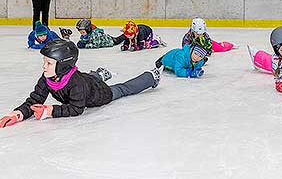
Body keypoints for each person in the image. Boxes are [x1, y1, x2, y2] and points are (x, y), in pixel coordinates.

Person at [0, 39, 162, 128]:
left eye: (49, 63)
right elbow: (35, 100)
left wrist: (51, 111)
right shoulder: (47, 78)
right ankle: (100, 74)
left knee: (122, 89)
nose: (44, 66)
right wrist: (18, 114)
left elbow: (77, 108)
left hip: (99, 94)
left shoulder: (77, 84)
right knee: (89, 78)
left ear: (63, 65)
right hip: (87, 80)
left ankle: (150, 77)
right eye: (44, 62)